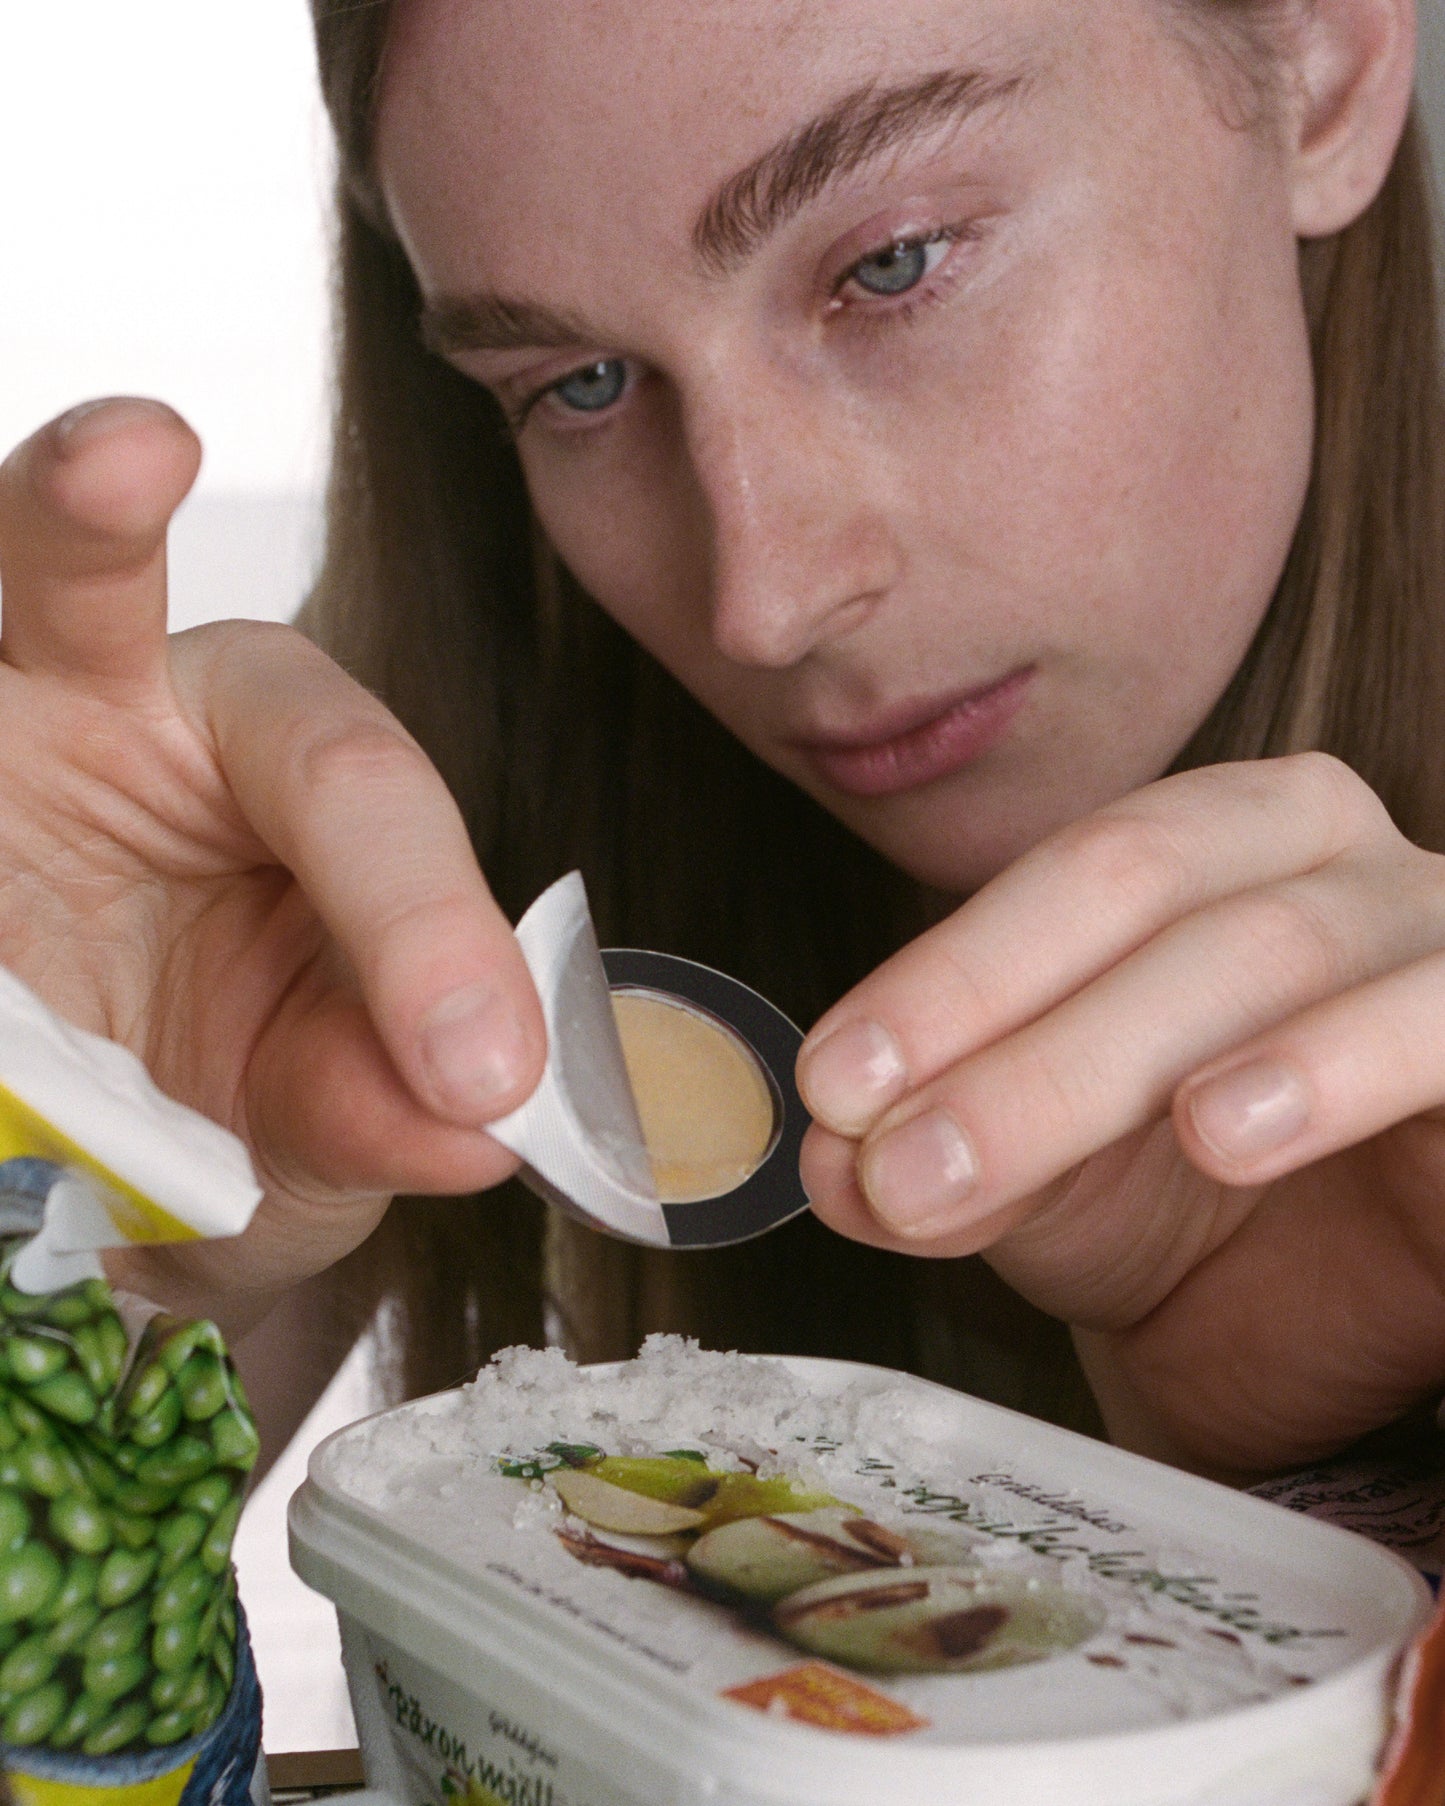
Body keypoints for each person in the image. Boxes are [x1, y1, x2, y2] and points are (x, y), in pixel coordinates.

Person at [0, 0, 1441, 1486]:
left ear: (1315, 59)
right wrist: (80, 1268)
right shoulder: (431, 810)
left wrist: (1378, 1491)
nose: (761, 601)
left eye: (891, 265)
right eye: (577, 383)